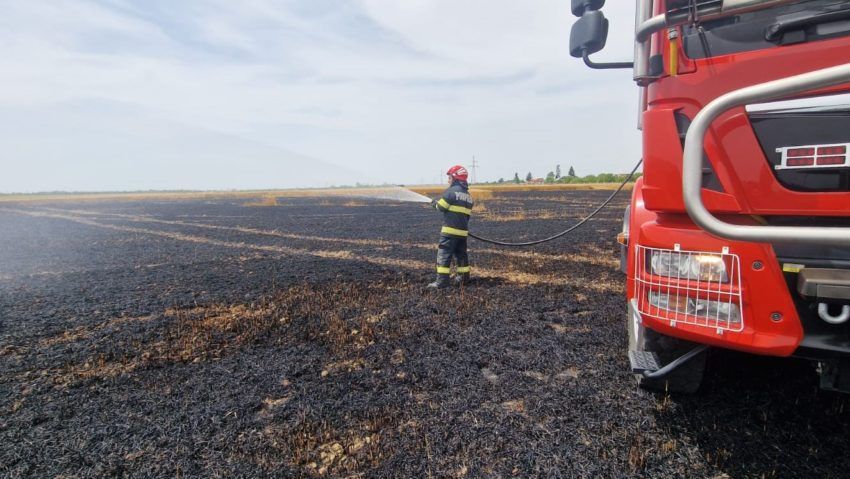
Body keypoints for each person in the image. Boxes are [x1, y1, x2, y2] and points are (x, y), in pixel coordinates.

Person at [428, 165, 474, 289]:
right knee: (461, 255)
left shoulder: (450, 192)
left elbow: (441, 207)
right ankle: (464, 279)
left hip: (449, 233)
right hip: (462, 233)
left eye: (449, 177)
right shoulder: (469, 196)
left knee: (444, 255)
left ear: (455, 178)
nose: (448, 180)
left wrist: (434, 204)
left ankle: (442, 282)